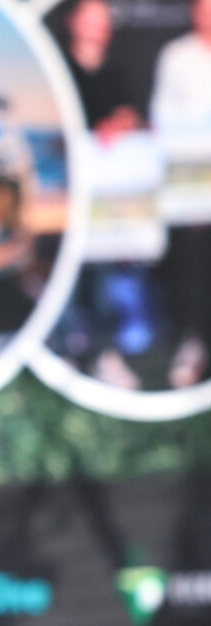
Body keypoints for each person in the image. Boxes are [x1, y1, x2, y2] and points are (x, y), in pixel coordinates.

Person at [60, 0, 156, 387]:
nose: (98, 28)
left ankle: (103, 353)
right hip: (68, 190)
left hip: (110, 194)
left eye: (103, 21)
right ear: (73, 22)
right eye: (90, 20)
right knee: (72, 274)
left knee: (107, 273)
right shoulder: (58, 67)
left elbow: (134, 113)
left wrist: (120, 122)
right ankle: (72, 351)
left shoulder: (117, 69)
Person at [153, 0, 211, 386]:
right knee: (195, 266)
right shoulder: (176, 56)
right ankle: (194, 343)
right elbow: (161, 114)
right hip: (194, 181)